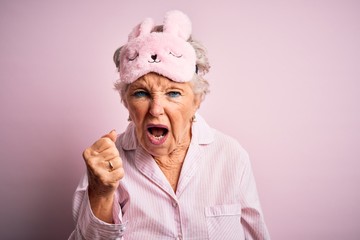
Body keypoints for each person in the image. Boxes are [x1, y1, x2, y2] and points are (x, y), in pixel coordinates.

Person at [69, 10, 270, 240]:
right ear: (126, 102)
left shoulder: (231, 156)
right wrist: (101, 193)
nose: (155, 109)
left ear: (197, 100)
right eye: (141, 93)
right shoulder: (105, 168)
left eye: (173, 93)